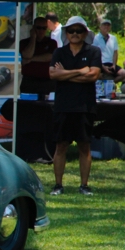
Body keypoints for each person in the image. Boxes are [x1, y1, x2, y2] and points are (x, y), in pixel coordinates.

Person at [48, 16, 102, 196]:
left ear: (85, 33)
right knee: (61, 146)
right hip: (63, 106)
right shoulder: (59, 52)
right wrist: (80, 71)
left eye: (79, 31)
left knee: (84, 146)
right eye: (71, 31)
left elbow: (93, 75)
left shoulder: (93, 51)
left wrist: (65, 74)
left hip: (85, 106)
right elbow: (53, 75)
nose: (75, 34)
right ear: (66, 33)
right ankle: (58, 185)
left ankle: (84, 185)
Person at [19, 16, 58, 99]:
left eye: (44, 28)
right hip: (30, 81)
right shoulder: (24, 42)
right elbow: (27, 55)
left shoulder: (52, 42)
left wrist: (31, 59)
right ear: (33, 28)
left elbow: (50, 57)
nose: (41, 31)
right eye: (38, 28)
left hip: (47, 81)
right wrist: (33, 38)